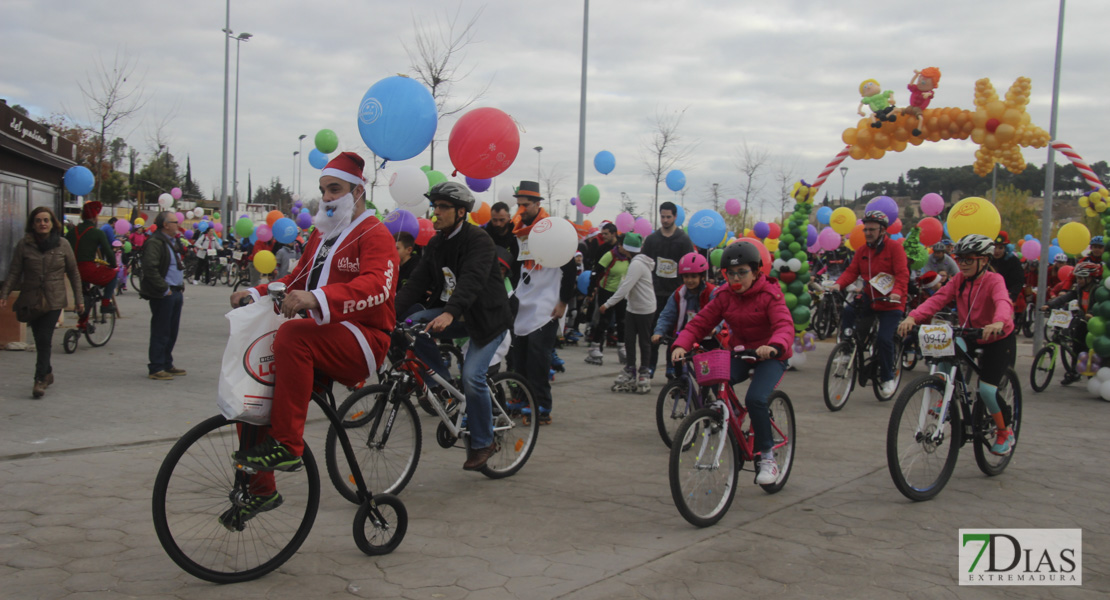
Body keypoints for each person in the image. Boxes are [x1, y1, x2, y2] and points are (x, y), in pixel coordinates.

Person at [395, 182, 513, 470]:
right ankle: (442, 387)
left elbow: (472, 279)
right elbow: (417, 284)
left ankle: (485, 442)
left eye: (443, 207)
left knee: (472, 376)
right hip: (454, 313)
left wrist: (450, 312)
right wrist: (388, 311)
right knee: (409, 326)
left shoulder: (479, 240)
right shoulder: (436, 243)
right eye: (434, 206)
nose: (436, 212)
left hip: (487, 319)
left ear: (462, 212)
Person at [671, 241, 794, 484]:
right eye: (730, 273)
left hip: (771, 355)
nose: (736, 278)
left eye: (743, 272)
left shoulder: (770, 294)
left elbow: (784, 325)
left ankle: (767, 455)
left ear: (757, 271)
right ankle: (733, 416)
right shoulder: (724, 296)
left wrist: (775, 345)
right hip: (741, 351)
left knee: (756, 398)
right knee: (716, 382)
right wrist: (681, 344)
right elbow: (701, 323)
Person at [898, 234, 1016, 456]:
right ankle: (945, 396)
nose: (962, 264)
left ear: (984, 260)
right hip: (970, 332)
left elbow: (1002, 302)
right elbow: (937, 299)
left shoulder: (994, 280)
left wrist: (999, 321)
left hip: (997, 336)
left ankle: (1004, 431)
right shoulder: (959, 280)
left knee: (988, 391)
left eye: (968, 259)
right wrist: (913, 317)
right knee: (945, 349)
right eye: (960, 259)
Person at [508, 181, 577, 425]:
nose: (520, 209)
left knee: (538, 359)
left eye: (524, 205)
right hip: (525, 301)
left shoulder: (553, 229)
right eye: (518, 205)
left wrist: (563, 302)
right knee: (519, 357)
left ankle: (541, 407)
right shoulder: (518, 229)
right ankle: (520, 398)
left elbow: (570, 270)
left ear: (537, 204)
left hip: (547, 305)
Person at [0, 207, 83, 398]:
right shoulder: (24, 245)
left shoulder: (63, 244)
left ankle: (39, 380)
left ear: (53, 223)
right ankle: (47, 372)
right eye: (38, 220)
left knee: (45, 338)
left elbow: (74, 273)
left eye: (46, 220)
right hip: (31, 299)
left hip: (54, 300)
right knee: (39, 339)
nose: (42, 224)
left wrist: (79, 300)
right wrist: (4, 294)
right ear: (33, 224)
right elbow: (14, 272)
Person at [828, 210, 909, 398]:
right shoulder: (863, 251)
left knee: (883, 339)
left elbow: (902, 274)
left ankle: (888, 377)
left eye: (872, 230)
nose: (868, 233)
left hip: (891, 303)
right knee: (849, 312)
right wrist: (838, 285)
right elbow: (851, 271)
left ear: (882, 231)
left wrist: (897, 293)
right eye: (866, 229)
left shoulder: (895, 248)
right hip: (871, 300)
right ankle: (847, 348)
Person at [641, 201, 694, 379]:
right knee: (653, 333)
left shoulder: (684, 240)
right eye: (662, 216)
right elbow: (645, 264)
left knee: (675, 333)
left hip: (677, 295)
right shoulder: (652, 239)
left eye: (668, 217)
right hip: (654, 294)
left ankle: (672, 367)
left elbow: (689, 266)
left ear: (675, 217)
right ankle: (650, 366)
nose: (665, 220)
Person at [599, 233, 656, 393]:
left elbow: (625, 287)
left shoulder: (637, 264)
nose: (619, 246)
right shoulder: (634, 262)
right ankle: (630, 369)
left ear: (627, 248)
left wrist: (607, 304)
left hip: (645, 309)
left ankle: (644, 371)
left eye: (622, 244)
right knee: (629, 340)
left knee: (644, 341)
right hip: (633, 308)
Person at [139, 212, 187, 380]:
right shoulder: (155, 242)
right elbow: (150, 268)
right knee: (161, 330)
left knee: (171, 331)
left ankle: (167, 362)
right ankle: (156, 366)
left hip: (175, 291)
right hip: (164, 293)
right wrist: (163, 288)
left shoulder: (172, 241)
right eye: (175, 222)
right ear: (165, 225)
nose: (178, 224)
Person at [1042, 260, 1103, 385]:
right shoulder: (1079, 289)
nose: (1079, 280)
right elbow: (1066, 297)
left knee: (1090, 347)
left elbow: (1099, 305)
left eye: (1082, 278)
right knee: (1077, 345)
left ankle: (1094, 373)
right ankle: (1075, 372)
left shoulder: (1097, 289)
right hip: (1083, 320)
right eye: (1078, 277)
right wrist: (1049, 305)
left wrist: (1091, 313)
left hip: (1095, 323)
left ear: (1090, 278)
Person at [653, 252, 718, 348]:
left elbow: (720, 314)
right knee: (673, 358)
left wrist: (715, 328)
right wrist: (659, 332)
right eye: (686, 276)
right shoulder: (679, 293)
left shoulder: (712, 292)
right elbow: (667, 315)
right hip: (684, 338)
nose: (689, 280)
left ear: (702, 276)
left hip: (708, 339)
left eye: (694, 276)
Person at [66, 200, 119, 316]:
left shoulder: (71, 232)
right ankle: (105, 304)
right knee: (114, 274)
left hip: (71, 270)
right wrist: (113, 265)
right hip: (87, 270)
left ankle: (83, 322)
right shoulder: (97, 232)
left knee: (85, 291)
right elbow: (108, 252)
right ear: (95, 218)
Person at [585, 225, 627, 366]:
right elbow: (596, 271)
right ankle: (595, 348)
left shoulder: (629, 256)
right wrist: (592, 290)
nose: (603, 236)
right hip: (606, 290)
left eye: (606, 234)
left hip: (621, 292)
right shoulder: (606, 252)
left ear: (614, 234)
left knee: (622, 321)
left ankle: (622, 348)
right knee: (604, 320)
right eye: (602, 234)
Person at [484, 201, 519, 286]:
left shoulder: (517, 235)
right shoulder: (484, 235)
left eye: (502, 220)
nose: (498, 224)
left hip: (513, 282)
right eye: (494, 220)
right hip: (488, 281)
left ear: (509, 217)